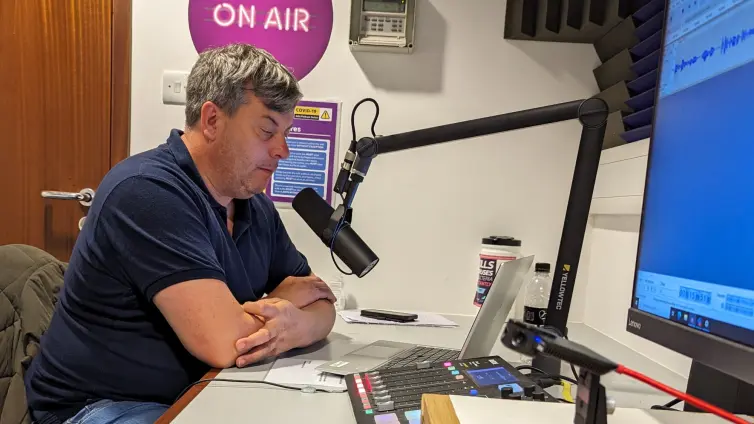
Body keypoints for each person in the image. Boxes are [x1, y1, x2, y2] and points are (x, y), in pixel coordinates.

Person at [24, 43, 337, 424]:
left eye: (286, 133)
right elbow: (225, 343)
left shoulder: (253, 203)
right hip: (103, 405)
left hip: (203, 388)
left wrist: (296, 323)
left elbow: (321, 301)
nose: (283, 151)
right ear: (211, 120)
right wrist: (283, 305)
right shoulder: (146, 192)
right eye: (267, 131)